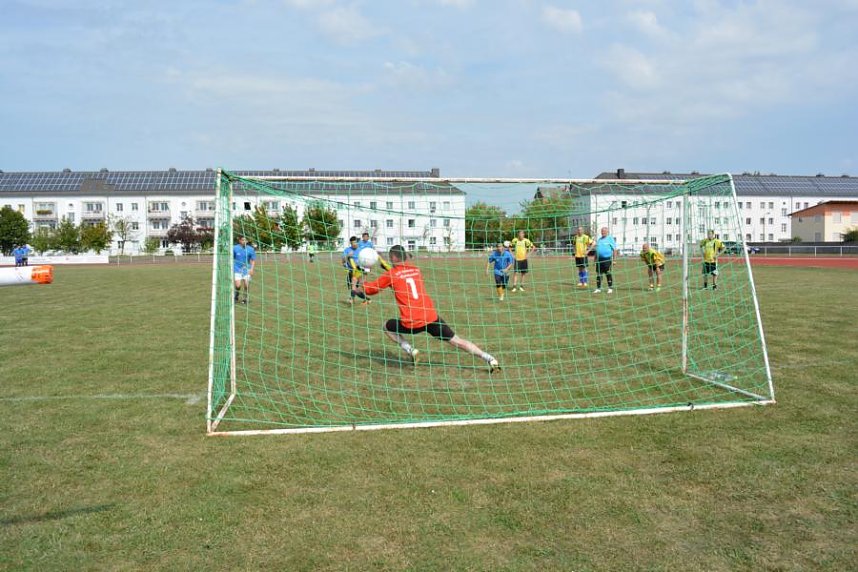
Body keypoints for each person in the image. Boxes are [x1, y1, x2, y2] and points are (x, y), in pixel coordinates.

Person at [352, 245, 500, 373]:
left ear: (394, 257)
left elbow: (369, 290)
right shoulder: (416, 270)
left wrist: (362, 275)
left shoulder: (391, 274)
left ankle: (410, 350)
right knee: (457, 341)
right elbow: (402, 273)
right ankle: (489, 358)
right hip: (431, 317)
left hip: (412, 322)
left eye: (391, 258)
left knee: (386, 327)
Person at [342, 236, 368, 305]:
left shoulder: (361, 250)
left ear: (357, 242)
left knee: (356, 287)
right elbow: (343, 261)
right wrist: (348, 255)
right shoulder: (347, 250)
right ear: (350, 243)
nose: (354, 244)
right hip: (351, 271)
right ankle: (366, 299)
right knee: (353, 288)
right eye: (353, 243)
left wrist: (366, 271)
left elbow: (366, 261)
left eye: (355, 242)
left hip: (359, 271)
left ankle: (353, 299)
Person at [592, 227, 617, 294]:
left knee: (608, 273)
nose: (603, 232)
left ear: (607, 232)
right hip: (599, 260)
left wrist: (614, 260)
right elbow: (597, 251)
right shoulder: (599, 240)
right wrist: (594, 260)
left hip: (607, 259)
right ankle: (598, 288)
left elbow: (614, 250)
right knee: (599, 274)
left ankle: (610, 288)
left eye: (604, 231)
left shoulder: (610, 239)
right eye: (602, 231)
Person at [233, 235, 256, 304]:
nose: (244, 241)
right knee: (238, 286)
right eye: (243, 240)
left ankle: (245, 298)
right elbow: (232, 258)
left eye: (245, 240)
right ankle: (236, 295)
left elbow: (253, 260)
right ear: (239, 241)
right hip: (237, 269)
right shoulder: (234, 248)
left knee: (246, 284)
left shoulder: (251, 249)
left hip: (247, 269)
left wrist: (251, 269)